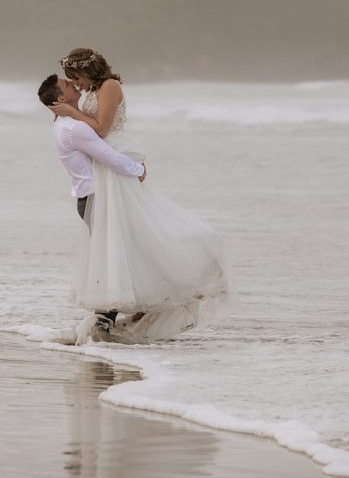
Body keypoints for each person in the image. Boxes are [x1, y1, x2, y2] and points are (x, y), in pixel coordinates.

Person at [50, 48, 235, 344]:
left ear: (91, 70)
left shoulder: (110, 86)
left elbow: (101, 129)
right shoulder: (93, 90)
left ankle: (166, 286)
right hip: (103, 165)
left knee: (135, 231)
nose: (79, 84)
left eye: (78, 78)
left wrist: (73, 113)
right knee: (114, 238)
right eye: (73, 80)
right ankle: (110, 312)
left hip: (114, 159)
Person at [38, 74, 147, 337]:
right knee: (113, 256)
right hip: (96, 199)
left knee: (119, 253)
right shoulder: (74, 127)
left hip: (90, 198)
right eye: (67, 84)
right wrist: (138, 169)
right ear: (61, 98)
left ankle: (126, 311)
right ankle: (104, 321)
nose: (73, 84)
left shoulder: (67, 122)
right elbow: (106, 155)